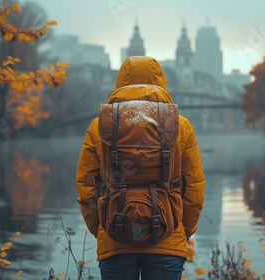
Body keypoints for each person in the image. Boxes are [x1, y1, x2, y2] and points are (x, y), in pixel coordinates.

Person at [75, 56, 205, 280]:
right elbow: (193, 189)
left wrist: (102, 229)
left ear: (120, 83)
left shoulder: (98, 126)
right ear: (161, 82)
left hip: (115, 238)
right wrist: (183, 230)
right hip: (168, 237)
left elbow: (86, 186)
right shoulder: (181, 126)